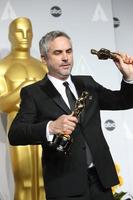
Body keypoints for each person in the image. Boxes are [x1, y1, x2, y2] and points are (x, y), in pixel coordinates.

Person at [8, 30, 133, 200]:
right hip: (64, 185)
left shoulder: (87, 83)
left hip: (100, 181)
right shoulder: (34, 93)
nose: (65, 58)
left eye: (69, 51)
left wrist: (128, 76)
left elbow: (123, 101)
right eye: (58, 53)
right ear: (44, 58)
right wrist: (51, 127)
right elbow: (15, 134)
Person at [0, 17, 47, 200]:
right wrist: (24, 88)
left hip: (45, 125)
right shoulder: (3, 67)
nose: (25, 36)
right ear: (10, 35)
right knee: (25, 181)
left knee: (44, 181)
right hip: (18, 124)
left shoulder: (42, 66)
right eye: (19, 31)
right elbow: (2, 103)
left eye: (28, 31)